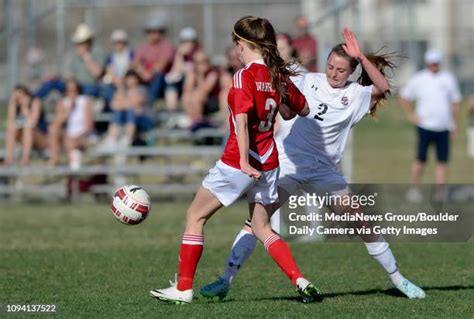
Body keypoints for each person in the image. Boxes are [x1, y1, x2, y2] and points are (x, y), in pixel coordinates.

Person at [200, 28, 426, 301]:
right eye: (330, 66)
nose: (333, 73)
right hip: (288, 164)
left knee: (361, 222)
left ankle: (399, 280)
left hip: (324, 171)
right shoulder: (308, 81)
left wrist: (361, 57)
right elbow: (285, 103)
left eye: (341, 69)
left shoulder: (356, 95)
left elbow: (384, 88)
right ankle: (225, 280)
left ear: (351, 72)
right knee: (256, 222)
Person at [149, 16, 320, 304]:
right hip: (269, 163)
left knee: (195, 216)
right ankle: (299, 279)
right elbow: (300, 111)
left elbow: (240, 123)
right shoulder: (278, 76)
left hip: (240, 161)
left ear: (243, 45)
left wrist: (241, 160)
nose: (235, 50)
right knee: (262, 228)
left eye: (236, 44)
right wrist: (280, 106)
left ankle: (182, 288)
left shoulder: (244, 76)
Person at [399, 49, 462, 202]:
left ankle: (440, 193)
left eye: (437, 62)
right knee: (420, 159)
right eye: (432, 62)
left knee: (442, 161)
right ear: (427, 62)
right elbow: (404, 97)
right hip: (425, 126)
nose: (434, 65)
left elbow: (455, 103)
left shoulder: (448, 78)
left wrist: (454, 124)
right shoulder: (419, 78)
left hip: (444, 127)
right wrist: (411, 115)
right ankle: (413, 190)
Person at [34, 24, 106, 107]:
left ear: (89, 42)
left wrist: (86, 56)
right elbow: (69, 75)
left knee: (89, 89)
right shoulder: (74, 56)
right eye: (78, 42)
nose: (79, 45)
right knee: (51, 83)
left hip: (90, 87)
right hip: (74, 85)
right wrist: (57, 77)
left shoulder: (97, 53)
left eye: (82, 42)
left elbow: (97, 73)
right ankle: (33, 100)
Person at [48, 79, 94, 167]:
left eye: (74, 90)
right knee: (53, 129)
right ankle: (54, 160)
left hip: (82, 136)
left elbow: (89, 126)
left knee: (71, 142)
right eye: (69, 91)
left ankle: (73, 169)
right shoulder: (62, 103)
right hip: (67, 136)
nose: (72, 93)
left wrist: (77, 137)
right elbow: (56, 124)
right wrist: (67, 111)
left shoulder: (84, 101)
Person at [132, 17, 174, 106]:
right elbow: (134, 63)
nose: (152, 34)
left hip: (162, 80)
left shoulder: (166, 46)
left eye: (156, 32)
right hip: (146, 78)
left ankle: (148, 105)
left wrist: (149, 73)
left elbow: (162, 64)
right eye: (150, 32)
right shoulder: (144, 47)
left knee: (158, 75)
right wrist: (142, 71)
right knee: (132, 77)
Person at [3, 85, 48, 166]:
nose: (19, 100)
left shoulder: (35, 101)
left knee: (28, 128)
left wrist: (25, 107)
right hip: (23, 138)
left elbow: (33, 123)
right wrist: (12, 103)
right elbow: (10, 121)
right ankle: (8, 159)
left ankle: (25, 159)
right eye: (17, 98)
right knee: (11, 128)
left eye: (20, 97)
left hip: (40, 137)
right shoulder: (16, 104)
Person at [164, 27, 200, 120]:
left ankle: (191, 118)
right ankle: (172, 115)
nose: (188, 44)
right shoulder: (178, 53)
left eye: (191, 41)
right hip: (179, 83)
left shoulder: (198, 54)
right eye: (185, 41)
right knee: (170, 89)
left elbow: (197, 70)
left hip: (192, 85)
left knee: (190, 76)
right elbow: (174, 72)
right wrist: (179, 55)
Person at [181, 50, 220, 131]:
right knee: (186, 97)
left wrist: (200, 75)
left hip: (212, 100)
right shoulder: (193, 72)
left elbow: (205, 90)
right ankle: (193, 121)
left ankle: (197, 121)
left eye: (203, 61)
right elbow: (187, 89)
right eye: (197, 62)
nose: (200, 64)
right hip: (197, 99)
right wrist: (191, 75)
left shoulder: (212, 73)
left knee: (197, 95)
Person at [101, 29, 135, 108]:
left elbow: (131, 67)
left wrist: (124, 79)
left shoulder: (131, 54)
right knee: (105, 88)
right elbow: (109, 70)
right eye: (116, 43)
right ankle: (113, 106)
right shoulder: (111, 57)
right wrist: (116, 80)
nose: (118, 45)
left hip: (128, 81)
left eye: (121, 42)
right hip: (116, 82)